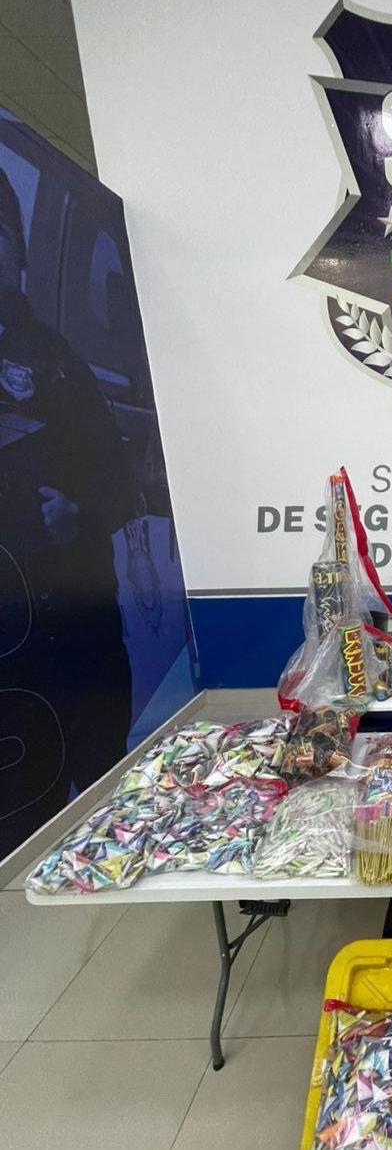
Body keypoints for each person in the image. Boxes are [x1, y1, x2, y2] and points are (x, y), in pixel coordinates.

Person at [0, 166, 134, 853]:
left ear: (17, 252)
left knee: (106, 791)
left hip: (77, 626)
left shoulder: (57, 362)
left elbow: (123, 483)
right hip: (9, 652)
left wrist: (78, 515)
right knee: (21, 828)